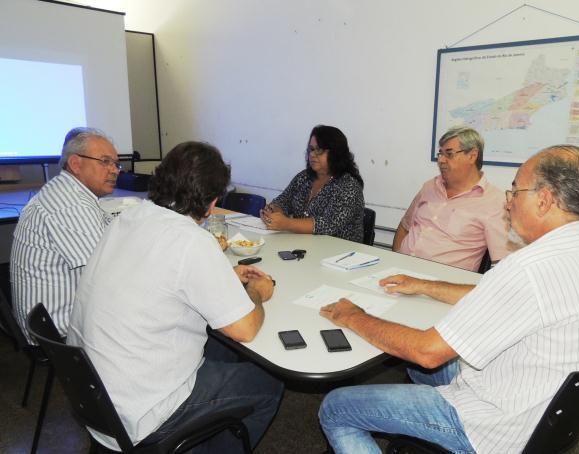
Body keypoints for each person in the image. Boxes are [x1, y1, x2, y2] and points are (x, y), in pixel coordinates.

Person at [319, 145, 579, 453]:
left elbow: (427, 351)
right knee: (418, 370)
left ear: (544, 200)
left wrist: (352, 316)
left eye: (515, 191)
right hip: (537, 410)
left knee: (336, 407)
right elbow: (497, 296)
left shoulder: (530, 266)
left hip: (491, 428)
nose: (507, 203)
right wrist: (424, 285)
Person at [67, 141, 283, 453]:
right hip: (141, 410)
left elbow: (156, 277)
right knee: (268, 383)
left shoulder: (127, 219)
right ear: (212, 204)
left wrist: (220, 278)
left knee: (219, 348)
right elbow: (246, 328)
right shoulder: (192, 240)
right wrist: (258, 294)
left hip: (95, 394)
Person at [11, 127, 120, 339]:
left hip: (51, 321)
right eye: (105, 161)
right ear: (75, 164)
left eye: (116, 163)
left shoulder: (69, 192)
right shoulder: (69, 205)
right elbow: (107, 274)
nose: (115, 170)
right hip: (59, 333)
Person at [393, 126, 511, 271]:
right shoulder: (429, 187)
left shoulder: (495, 202)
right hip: (400, 272)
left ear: (472, 156)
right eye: (440, 154)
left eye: (449, 154)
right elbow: (404, 228)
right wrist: (395, 262)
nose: (441, 160)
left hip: (440, 286)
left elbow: (503, 263)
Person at [260, 125, 365, 242]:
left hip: (340, 253)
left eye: (319, 150)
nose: (312, 154)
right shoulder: (304, 177)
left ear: (336, 153)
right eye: (311, 149)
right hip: (303, 245)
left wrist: (286, 223)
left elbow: (327, 224)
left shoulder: (349, 186)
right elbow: (283, 200)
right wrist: (272, 211)